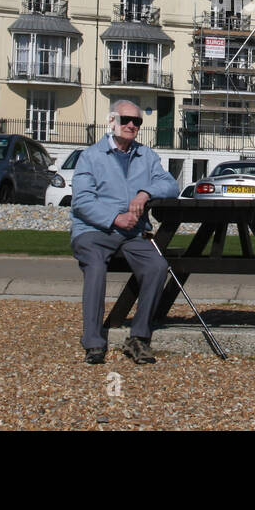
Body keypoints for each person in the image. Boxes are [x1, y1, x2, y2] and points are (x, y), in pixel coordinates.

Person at [70, 99, 178, 365]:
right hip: (93, 231)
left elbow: (170, 184)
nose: (131, 125)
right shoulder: (91, 156)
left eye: (137, 121)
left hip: (133, 234)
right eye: (126, 120)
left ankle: (139, 338)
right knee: (95, 268)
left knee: (157, 266)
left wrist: (146, 192)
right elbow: (82, 202)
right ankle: (94, 343)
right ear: (112, 121)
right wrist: (114, 218)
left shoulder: (147, 156)